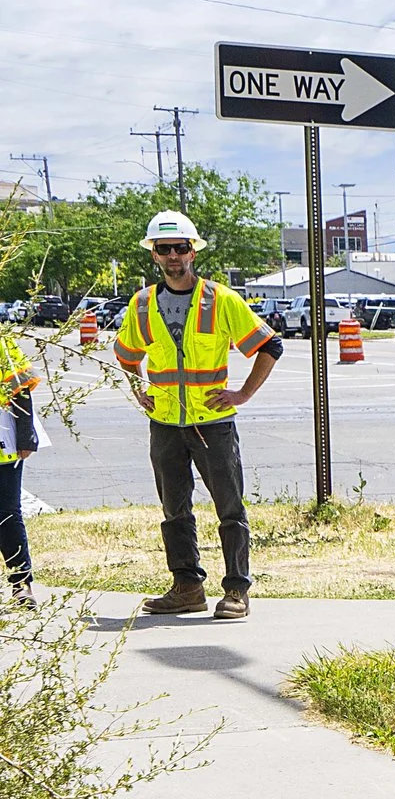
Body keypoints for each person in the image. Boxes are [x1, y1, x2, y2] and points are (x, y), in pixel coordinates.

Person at [111, 209, 280, 620]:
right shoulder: (143, 304)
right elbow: (125, 355)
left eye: (180, 248)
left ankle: (237, 590)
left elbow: (270, 347)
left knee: (230, 508)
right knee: (174, 510)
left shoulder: (220, 299)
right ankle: (187, 588)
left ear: (193, 252)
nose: (173, 256)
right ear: (154, 254)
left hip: (213, 424)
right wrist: (138, 390)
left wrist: (241, 394)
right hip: (166, 423)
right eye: (164, 248)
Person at [0, 327, 41, 604]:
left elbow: (21, 387)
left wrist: (26, 433)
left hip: (3, 442)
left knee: (7, 515)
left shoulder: (2, 341)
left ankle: (21, 583)